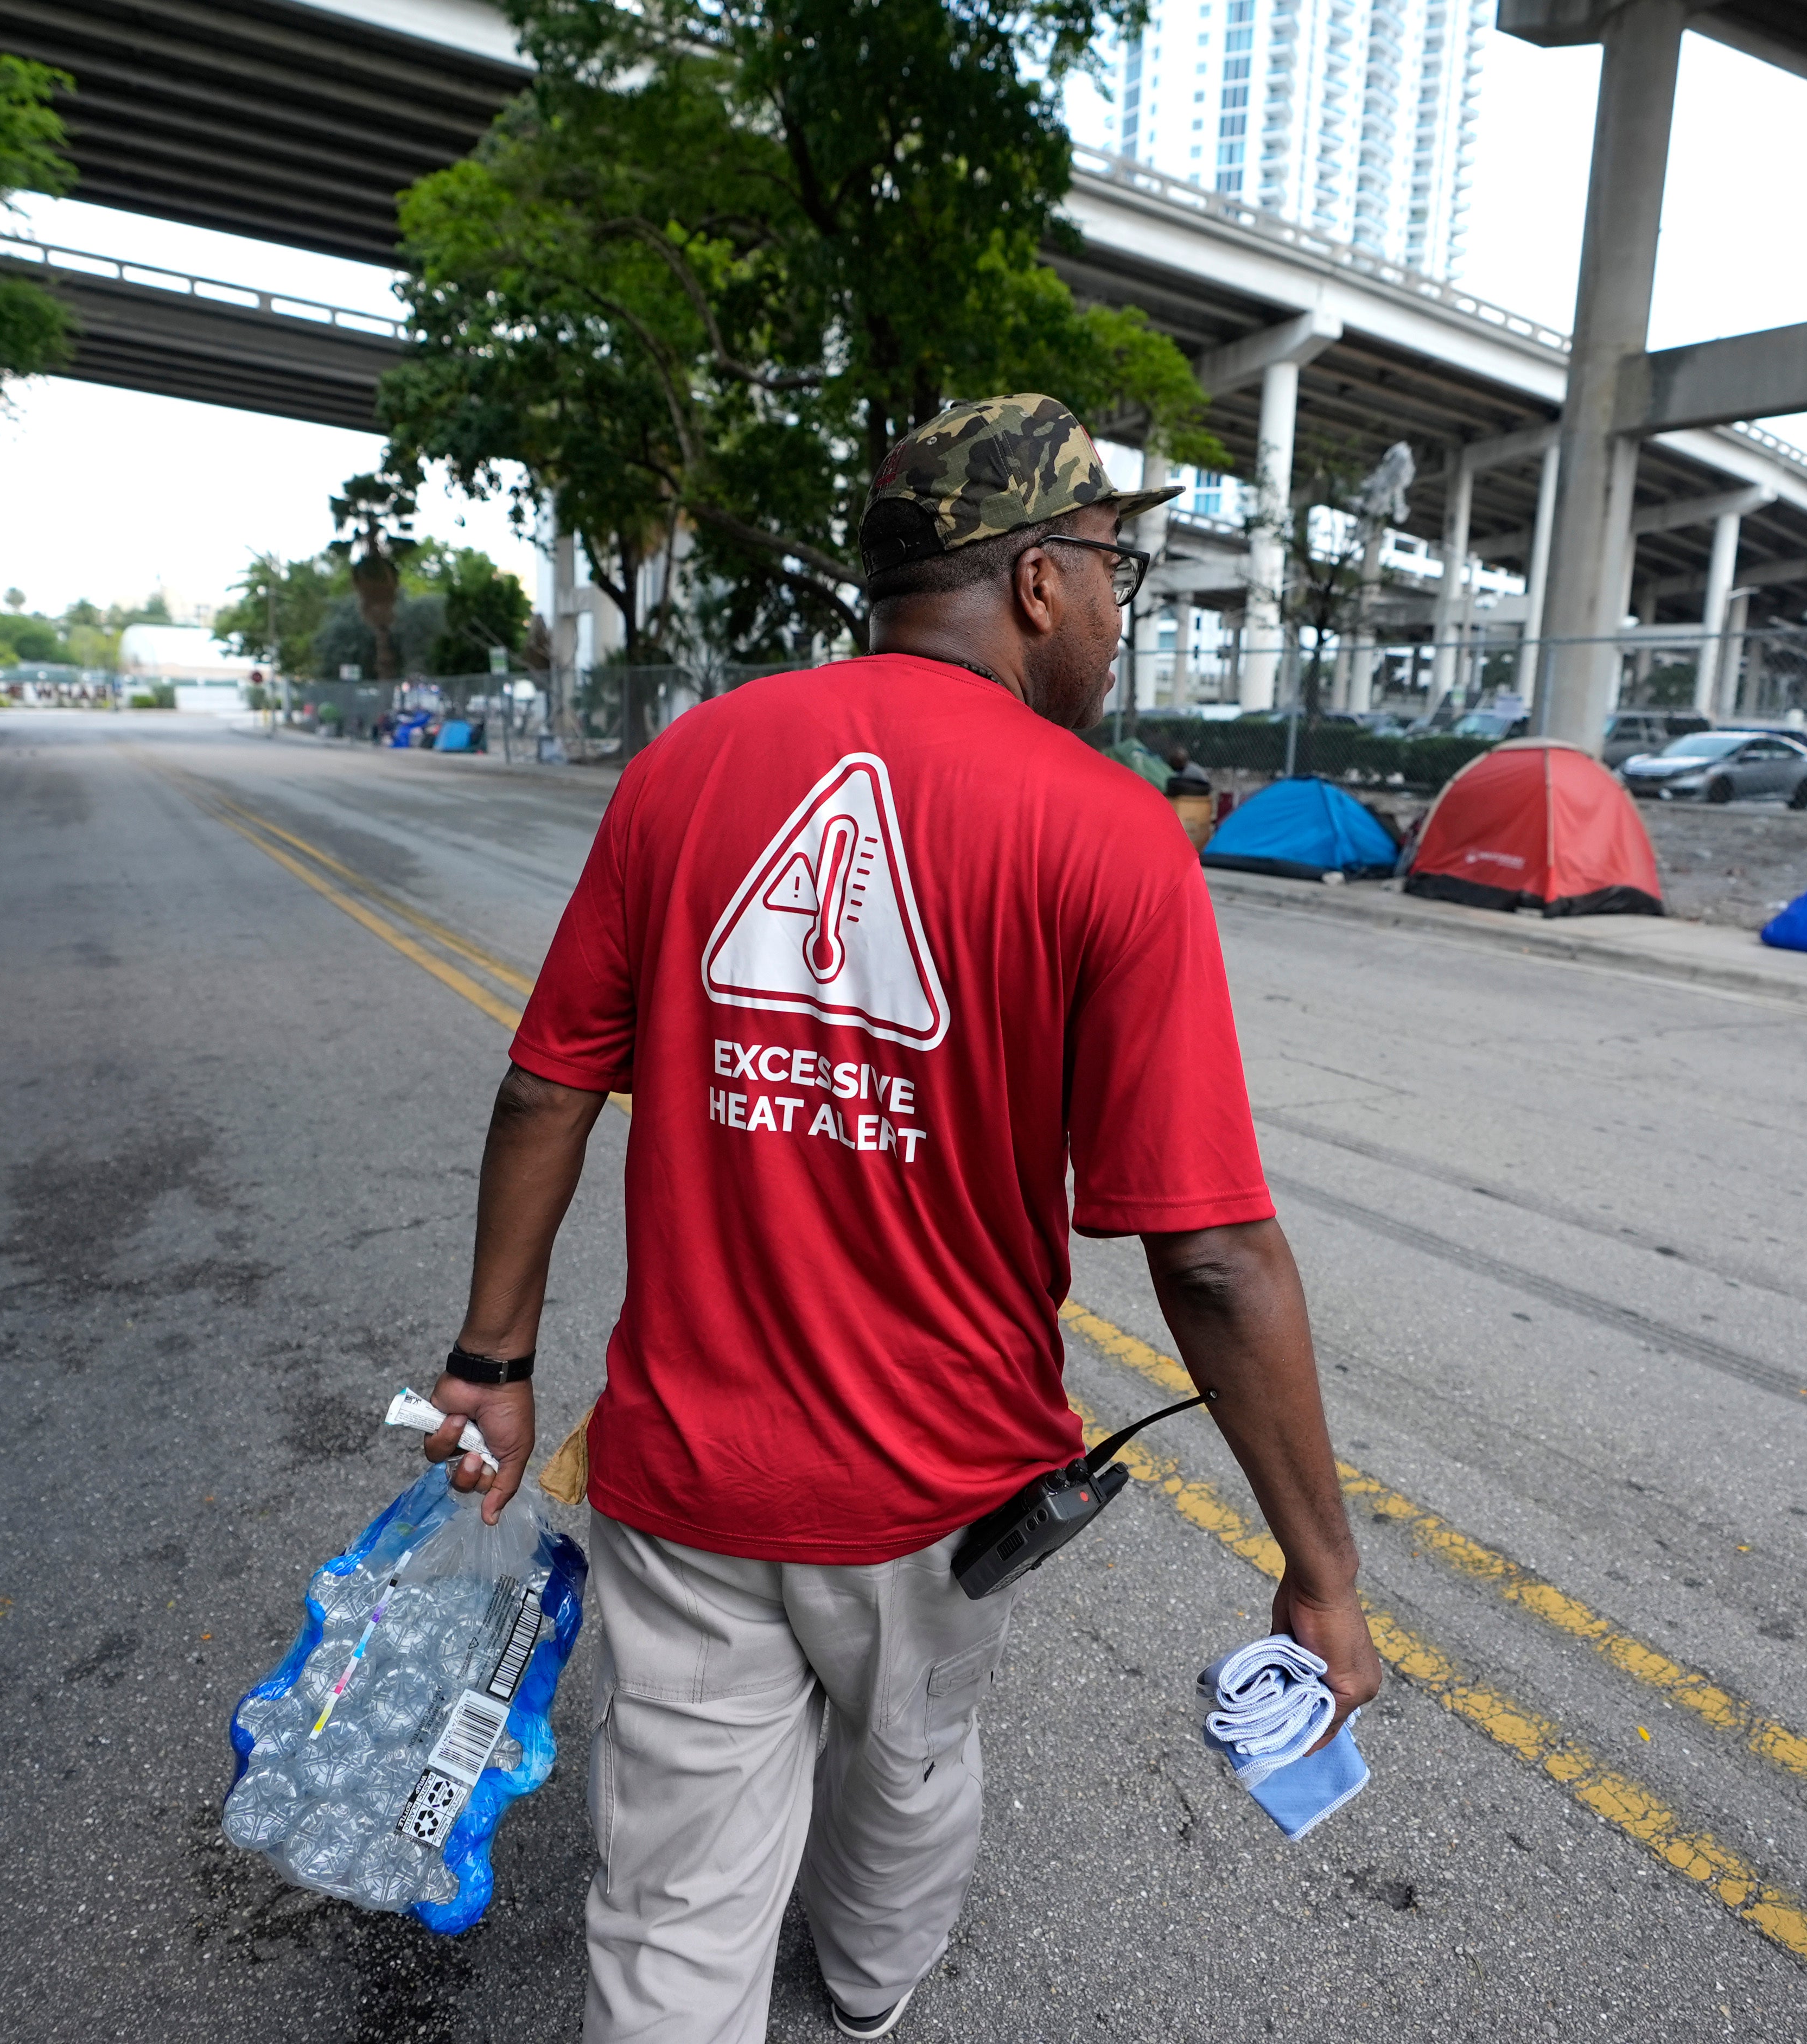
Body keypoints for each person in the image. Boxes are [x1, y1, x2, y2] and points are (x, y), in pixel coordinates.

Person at [421, 393, 1383, 2043]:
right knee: (911, 1755)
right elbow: (1210, 1251)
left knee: (670, 1883)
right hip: (936, 1486)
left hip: (689, 1472)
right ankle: (866, 1991)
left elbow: (543, 1091)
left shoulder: (687, 766)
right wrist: (1321, 1574)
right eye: (1113, 571)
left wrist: (490, 1362)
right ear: (1031, 581)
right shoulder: (1107, 834)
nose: (1118, 609)